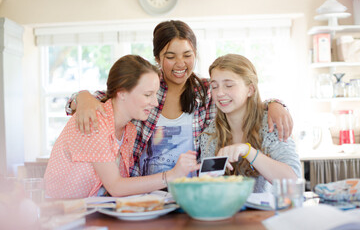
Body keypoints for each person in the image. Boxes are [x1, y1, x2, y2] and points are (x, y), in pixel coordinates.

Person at [65, 20, 293, 177]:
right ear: (157, 58)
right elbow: (106, 97)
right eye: (170, 56)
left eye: (187, 55)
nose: (180, 64)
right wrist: (81, 97)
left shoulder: (207, 90)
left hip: (192, 189)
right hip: (145, 189)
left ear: (195, 54)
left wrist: (275, 104)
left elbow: (242, 98)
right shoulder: (146, 89)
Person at [44, 55, 200, 199]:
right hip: (59, 214)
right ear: (122, 93)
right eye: (147, 94)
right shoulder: (95, 122)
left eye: (156, 94)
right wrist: (171, 175)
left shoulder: (129, 130)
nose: (155, 103)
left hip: (91, 213)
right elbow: (116, 187)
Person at [200, 54, 301, 193]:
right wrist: (214, 170)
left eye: (228, 85)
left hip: (270, 212)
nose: (219, 93)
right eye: (215, 86)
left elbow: (293, 181)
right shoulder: (210, 134)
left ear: (250, 89)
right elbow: (207, 187)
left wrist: (248, 151)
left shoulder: (271, 125)